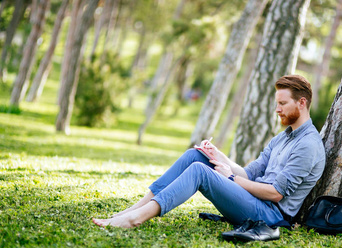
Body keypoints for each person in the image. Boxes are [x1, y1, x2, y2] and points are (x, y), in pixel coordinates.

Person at [93, 75, 326, 230]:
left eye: (283, 103)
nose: (277, 109)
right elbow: (249, 173)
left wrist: (231, 178)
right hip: (253, 200)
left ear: (302, 103)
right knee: (197, 156)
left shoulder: (308, 145)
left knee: (199, 172)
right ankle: (133, 209)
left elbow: (276, 194)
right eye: (277, 103)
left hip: (270, 215)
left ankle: (135, 219)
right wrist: (217, 156)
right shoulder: (282, 138)